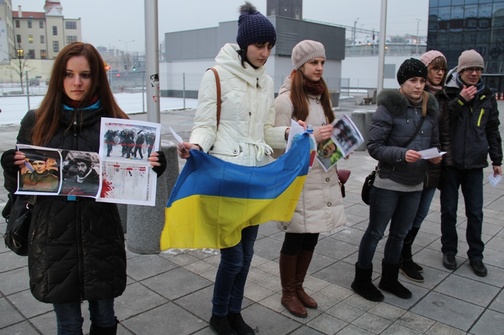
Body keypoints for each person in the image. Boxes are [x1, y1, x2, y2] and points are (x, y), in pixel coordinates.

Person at [0, 42, 166, 335]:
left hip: (100, 234)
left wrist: (153, 166)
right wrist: (11, 167)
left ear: (96, 79)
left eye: (85, 75)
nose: (77, 82)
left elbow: (134, 180)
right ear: (58, 77)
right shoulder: (37, 121)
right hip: (53, 237)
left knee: (104, 317)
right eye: (69, 74)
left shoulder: (114, 125)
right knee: (68, 324)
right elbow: (19, 190)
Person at [177, 3, 290, 334]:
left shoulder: (266, 82)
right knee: (233, 258)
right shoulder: (215, 75)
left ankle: (234, 313)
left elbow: (265, 130)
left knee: (249, 253)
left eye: (269, 46)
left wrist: (288, 132)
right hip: (227, 176)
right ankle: (218, 315)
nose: (265, 53)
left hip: (255, 177)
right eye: (259, 45)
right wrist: (196, 145)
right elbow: (205, 124)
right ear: (244, 43)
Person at [351, 58, 441, 302]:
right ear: (402, 82)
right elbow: (374, 147)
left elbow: (434, 143)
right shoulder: (389, 107)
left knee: (400, 234)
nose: (419, 86)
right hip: (389, 181)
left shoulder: (430, 108)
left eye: (422, 81)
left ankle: (389, 278)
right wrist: (402, 154)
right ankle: (361, 279)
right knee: (375, 232)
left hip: (415, 183)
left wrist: (435, 157)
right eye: (413, 80)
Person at [273, 40, 346, 318]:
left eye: (322, 62)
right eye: (313, 63)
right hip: (299, 181)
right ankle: (288, 292)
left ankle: (299, 286)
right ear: (300, 66)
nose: (319, 68)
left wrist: (339, 149)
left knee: (312, 236)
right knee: (295, 238)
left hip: (322, 177)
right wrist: (311, 139)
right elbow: (279, 149)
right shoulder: (285, 101)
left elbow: (328, 134)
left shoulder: (322, 97)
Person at [440, 49, 502, 277]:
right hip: (451, 163)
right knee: (449, 210)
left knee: (475, 212)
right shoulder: (448, 92)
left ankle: (476, 255)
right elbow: (442, 121)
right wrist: (460, 101)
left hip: (475, 164)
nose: (474, 73)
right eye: (469, 69)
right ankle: (449, 251)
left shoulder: (487, 96)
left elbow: (493, 129)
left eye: (478, 69)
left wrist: (497, 159)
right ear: (461, 70)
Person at [399, 50, 450, 282]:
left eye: (442, 68)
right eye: (434, 68)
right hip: (411, 166)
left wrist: (443, 158)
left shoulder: (444, 97)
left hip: (433, 166)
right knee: (406, 217)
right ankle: (400, 256)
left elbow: (444, 133)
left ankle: (406, 255)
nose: (439, 73)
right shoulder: (412, 97)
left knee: (420, 215)